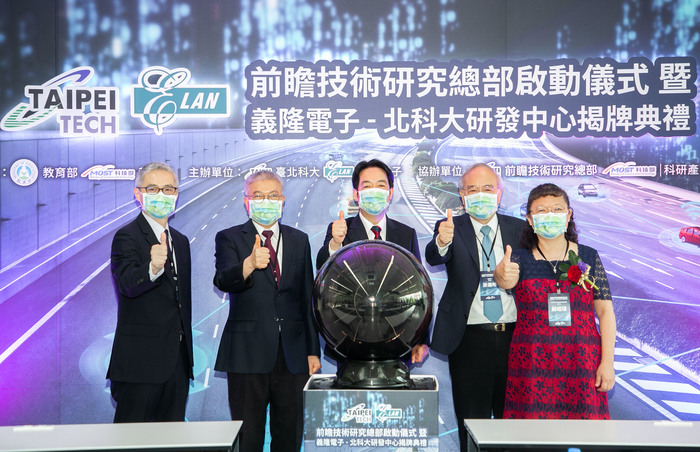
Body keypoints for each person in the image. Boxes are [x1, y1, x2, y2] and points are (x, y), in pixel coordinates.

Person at [213, 170, 321, 452]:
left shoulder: (299, 240)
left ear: (283, 200)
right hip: (247, 354)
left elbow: (306, 298)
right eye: (258, 196)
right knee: (248, 438)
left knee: (289, 435)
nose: (266, 201)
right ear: (247, 201)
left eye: (273, 196)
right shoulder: (230, 238)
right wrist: (248, 265)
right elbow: (223, 279)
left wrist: (313, 350)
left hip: (294, 356)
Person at [425, 163, 525, 451]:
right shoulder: (450, 227)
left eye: (487, 189)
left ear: (499, 193)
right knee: (472, 422)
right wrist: (443, 241)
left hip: (514, 338)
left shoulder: (518, 229)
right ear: (461, 194)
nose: (480, 195)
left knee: (512, 422)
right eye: (472, 190)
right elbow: (433, 256)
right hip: (468, 338)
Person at [494, 182, 616, 419]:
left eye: (557, 209)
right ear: (529, 219)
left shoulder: (588, 256)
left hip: (582, 360)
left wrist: (607, 362)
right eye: (540, 210)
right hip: (532, 361)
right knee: (532, 437)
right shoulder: (518, 258)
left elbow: (605, 313)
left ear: (568, 215)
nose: (549, 215)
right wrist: (501, 274)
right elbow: (504, 280)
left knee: (585, 435)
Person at [316, 158, 428, 364]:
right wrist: (335, 243)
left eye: (381, 185)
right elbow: (322, 268)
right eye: (367, 186)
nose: (374, 191)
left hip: (397, 337)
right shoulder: (341, 229)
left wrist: (420, 339)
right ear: (356, 194)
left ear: (390, 193)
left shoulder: (406, 234)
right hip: (351, 337)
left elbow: (420, 290)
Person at [107, 161, 193, 423]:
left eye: (168, 189)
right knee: (132, 443)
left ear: (177, 194)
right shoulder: (127, 236)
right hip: (140, 366)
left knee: (171, 441)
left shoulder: (180, 240)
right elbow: (127, 284)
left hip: (177, 364)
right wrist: (153, 267)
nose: (162, 196)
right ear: (138, 193)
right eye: (153, 189)